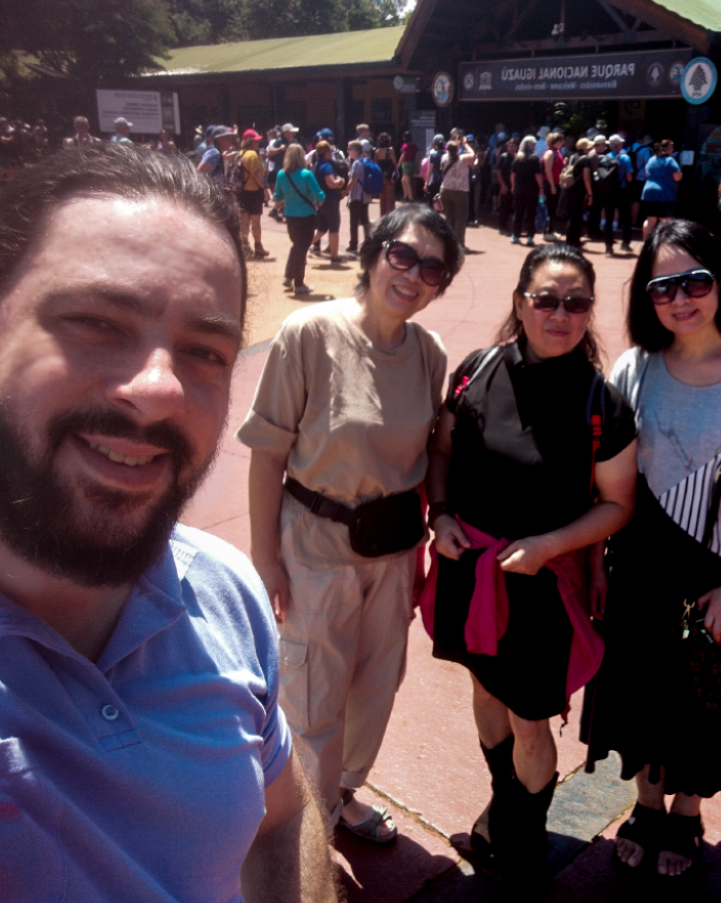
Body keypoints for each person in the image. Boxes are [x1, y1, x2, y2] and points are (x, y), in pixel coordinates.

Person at [0, 143, 337, 903]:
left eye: (204, 350)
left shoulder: (222, 590)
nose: (159, 388)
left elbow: (278, 814)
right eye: (95, 321)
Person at [239, 205, 462, 846]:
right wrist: (265, 558)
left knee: (375, 686)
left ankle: (340, 793)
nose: (414, 275)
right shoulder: (310, 332)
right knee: (312, 697)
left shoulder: (429, 352)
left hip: (393, 551)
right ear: (373, 253)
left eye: (432, 268)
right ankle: (303, 834)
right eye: (403, 255)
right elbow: (268, 453)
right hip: (314, 546)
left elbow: (432, 453)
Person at [582, 218, 721, 880]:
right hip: (638, 570)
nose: (680, 298)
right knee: (639, 701)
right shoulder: (633, 368)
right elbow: (605, 480)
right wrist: (594, 560)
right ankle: (645, 804)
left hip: (714, 576)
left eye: (695, 280)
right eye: (662, 286)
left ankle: (687, 810)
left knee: (702, 705)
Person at [423, 243, 638, 878]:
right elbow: (441, 453)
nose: (560, 313)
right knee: (484, 687)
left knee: (530, 717)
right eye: (546, 299)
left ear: (590, 311)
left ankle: (525, 834)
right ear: (520, 304)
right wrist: (439, 514)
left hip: (541, 582)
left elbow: (618, 504)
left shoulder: (603, 403)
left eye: (576, 302)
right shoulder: (476, 369)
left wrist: (549, 545)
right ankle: (503, 804)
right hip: (472, 567)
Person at [274, 142, 326, 295]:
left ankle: (288, 276)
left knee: (297, 245)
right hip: (307, 215)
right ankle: (299, 284)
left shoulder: (281, 174)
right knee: (302, 249)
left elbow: (278, 196)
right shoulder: (307, 174)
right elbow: (319, 195)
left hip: (290, 215)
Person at [437, 136, 478, 251]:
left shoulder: (444, 157)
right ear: (457, 149)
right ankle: (459, 244)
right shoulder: (463, 159)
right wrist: (465, 144)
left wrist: (455, 141)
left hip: (445, 190)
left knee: (449, 217)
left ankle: (448, 244)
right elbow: (473, 154)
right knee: (461, 218)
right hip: (460, 192)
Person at [310, 139, 346, 265]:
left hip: (320, 201)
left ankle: (302, 249)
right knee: (334, 229)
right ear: (325, 152)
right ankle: (335, 258)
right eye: (329, 151)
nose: (331, 154)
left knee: (321, 229)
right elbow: (331, 184)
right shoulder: (326, 166)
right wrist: (341, 181)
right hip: (330, 200)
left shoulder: (317, 165)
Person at [236, 129, 271, 260]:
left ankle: (244, 247)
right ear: (250, 141)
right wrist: (264, 189)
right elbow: (256, 175)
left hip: (241, 191)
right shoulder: (252, 155)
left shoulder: (239, 154)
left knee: (244, 222)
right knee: (256, 221)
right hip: (254, 191)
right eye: (256, 140)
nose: (258, 142)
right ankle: (258, 247)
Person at [598, 134, 635, 254]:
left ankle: (608, 245)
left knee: (608, 218)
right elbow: (629, 178)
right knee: (626, 218)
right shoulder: (625, 158)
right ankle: (625, 243)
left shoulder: (605, 158)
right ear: (619, 145)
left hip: (608, 191)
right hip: (621, 190)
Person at [640, 140, 682, 240]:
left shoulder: (651, 159)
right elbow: (677, 177)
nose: (673, 150)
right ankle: (665, 243)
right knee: (665, 220)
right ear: (668, 149)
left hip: (649, 191)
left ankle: (646, 242)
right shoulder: (670, 160)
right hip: (665, 193)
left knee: (650, 219)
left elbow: (646, 174)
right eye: (672, 148)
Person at [511, 135, 545, 246]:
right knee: (531, 213)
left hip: (519, 188)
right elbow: (538, 175)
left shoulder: (518, 157)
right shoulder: (534, 158)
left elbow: (513, 175)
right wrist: (541, 188)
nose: (535, 146)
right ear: (529, 145)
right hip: (531, 189)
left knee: (518, 212)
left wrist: (513, 186)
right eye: (533, 144)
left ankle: (515, 235)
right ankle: (530, 237)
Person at [563, 137, 597, 247]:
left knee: (571, 215)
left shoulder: (572, 156)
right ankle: (574, 241)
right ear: (584, 148)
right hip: (579, 191)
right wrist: (590, 193)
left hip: (570, 188)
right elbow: (586, 178)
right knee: (577, 216)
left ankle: (569, 239)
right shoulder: (585, 160)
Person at [345, 140, 373, 256]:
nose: (348, 151)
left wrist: (344, 192)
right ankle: (369, 245)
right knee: (365, 221)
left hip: (357, 196)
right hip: (365, 196)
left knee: (354, 222)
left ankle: (353, 245)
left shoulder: (357, 163)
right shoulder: (367, 160)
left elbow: (353, 181)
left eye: (349, 149)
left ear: (356, 150)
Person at [541, 132, 565, 241]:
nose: (562, 143)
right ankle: (547, 231)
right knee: (550, 209)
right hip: (551, 184)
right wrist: (552, 185)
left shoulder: (556, 152)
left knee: (553, 208)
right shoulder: (550, 153)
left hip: (555, 184)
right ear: (558, 141)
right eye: (561, 141)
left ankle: (550, 230)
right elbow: (548, 170)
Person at [495, 137, 518, 234]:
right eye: (510, 147)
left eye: (513, 147)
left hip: (514, 185)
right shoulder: (503, 157)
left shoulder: (517, 157)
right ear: (507, 147)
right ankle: (502, 227)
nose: (511, 148)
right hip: (505, 185)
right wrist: (502, 185)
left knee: (509, 206)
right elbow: (498, 171)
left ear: (517, 147)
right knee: (504, 206)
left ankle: (506, 226)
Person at [374, 132, 399, 217]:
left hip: (380, 175)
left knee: (382, 197)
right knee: (390, 197)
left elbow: (376, 164)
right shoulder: (390, 150)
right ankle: (390, 215)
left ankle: (383, 215)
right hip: (389, 175)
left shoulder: (377, 151)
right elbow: (394, 162)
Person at [400, 130, 420, 201]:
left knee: (406, 180)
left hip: (406, 164)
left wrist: (398, 164)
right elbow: (417, 157)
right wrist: (417, 167)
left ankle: (410, 197)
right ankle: (405, 195)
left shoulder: (405, 145)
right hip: (412, 163)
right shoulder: (414, 146)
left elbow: (403, 155)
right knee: (404, 179)